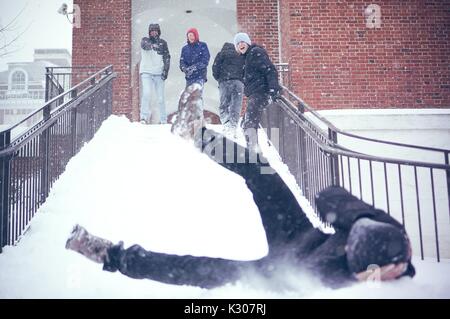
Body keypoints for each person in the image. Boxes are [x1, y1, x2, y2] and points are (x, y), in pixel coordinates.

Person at [66, 97, 415, 289]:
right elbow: (327, 195)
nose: (381, 279)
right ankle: (195, 132)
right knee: (262, 170)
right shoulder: (384, 228)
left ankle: (111, 255)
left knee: (201, 270)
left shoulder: (333, 282)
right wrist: (358, 218)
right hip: (300, 231)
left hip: (282, 269)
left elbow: (300, 279)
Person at [233, 32, 281, 151]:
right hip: (254, 94)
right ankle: (253, 149)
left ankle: (253, 151)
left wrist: (273, 89)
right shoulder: (245, 58)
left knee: (249, 123)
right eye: (238, 44)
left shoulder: (256, 52)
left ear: (247, 43)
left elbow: (270, 70)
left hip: (261, 92)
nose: (240, 45)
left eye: (242, 42)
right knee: (246, 123)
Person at [139, 23, 170, 124]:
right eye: (152, 31)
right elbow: (145, 45)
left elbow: (167, 57)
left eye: (155, 30)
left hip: (158, 73)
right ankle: (143, 117)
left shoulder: (163, 43)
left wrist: (166, 70)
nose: (154, 32)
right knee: (147, 94)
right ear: (149, 32)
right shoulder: (145, 40)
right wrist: (152, 46)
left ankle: (163, 119)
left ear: (159, 31)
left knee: (160, 98)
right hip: (146, 72)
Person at [212, 42, 245, 136]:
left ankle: (226, 123)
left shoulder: (221, 54)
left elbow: (215, 68)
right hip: (238, 82)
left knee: (224, 105)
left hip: (224, 82)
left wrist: (219, 78)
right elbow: (244, 68)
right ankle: (233, 125)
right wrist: (241, 79)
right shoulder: (239, 55)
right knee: (236, 105)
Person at [179, 28, 210, 112]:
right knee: (188, 97)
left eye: (192, 35)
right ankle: (190, 116)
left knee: (197, 95)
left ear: (196, 36)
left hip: (200, 76)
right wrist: (185, 69)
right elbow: (182, 62)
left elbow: (205, 60)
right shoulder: (185, 49)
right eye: (189, 36)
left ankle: (199, 115)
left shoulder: (203, 46)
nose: (191, 37)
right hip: (189, 77)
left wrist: (194, 68)